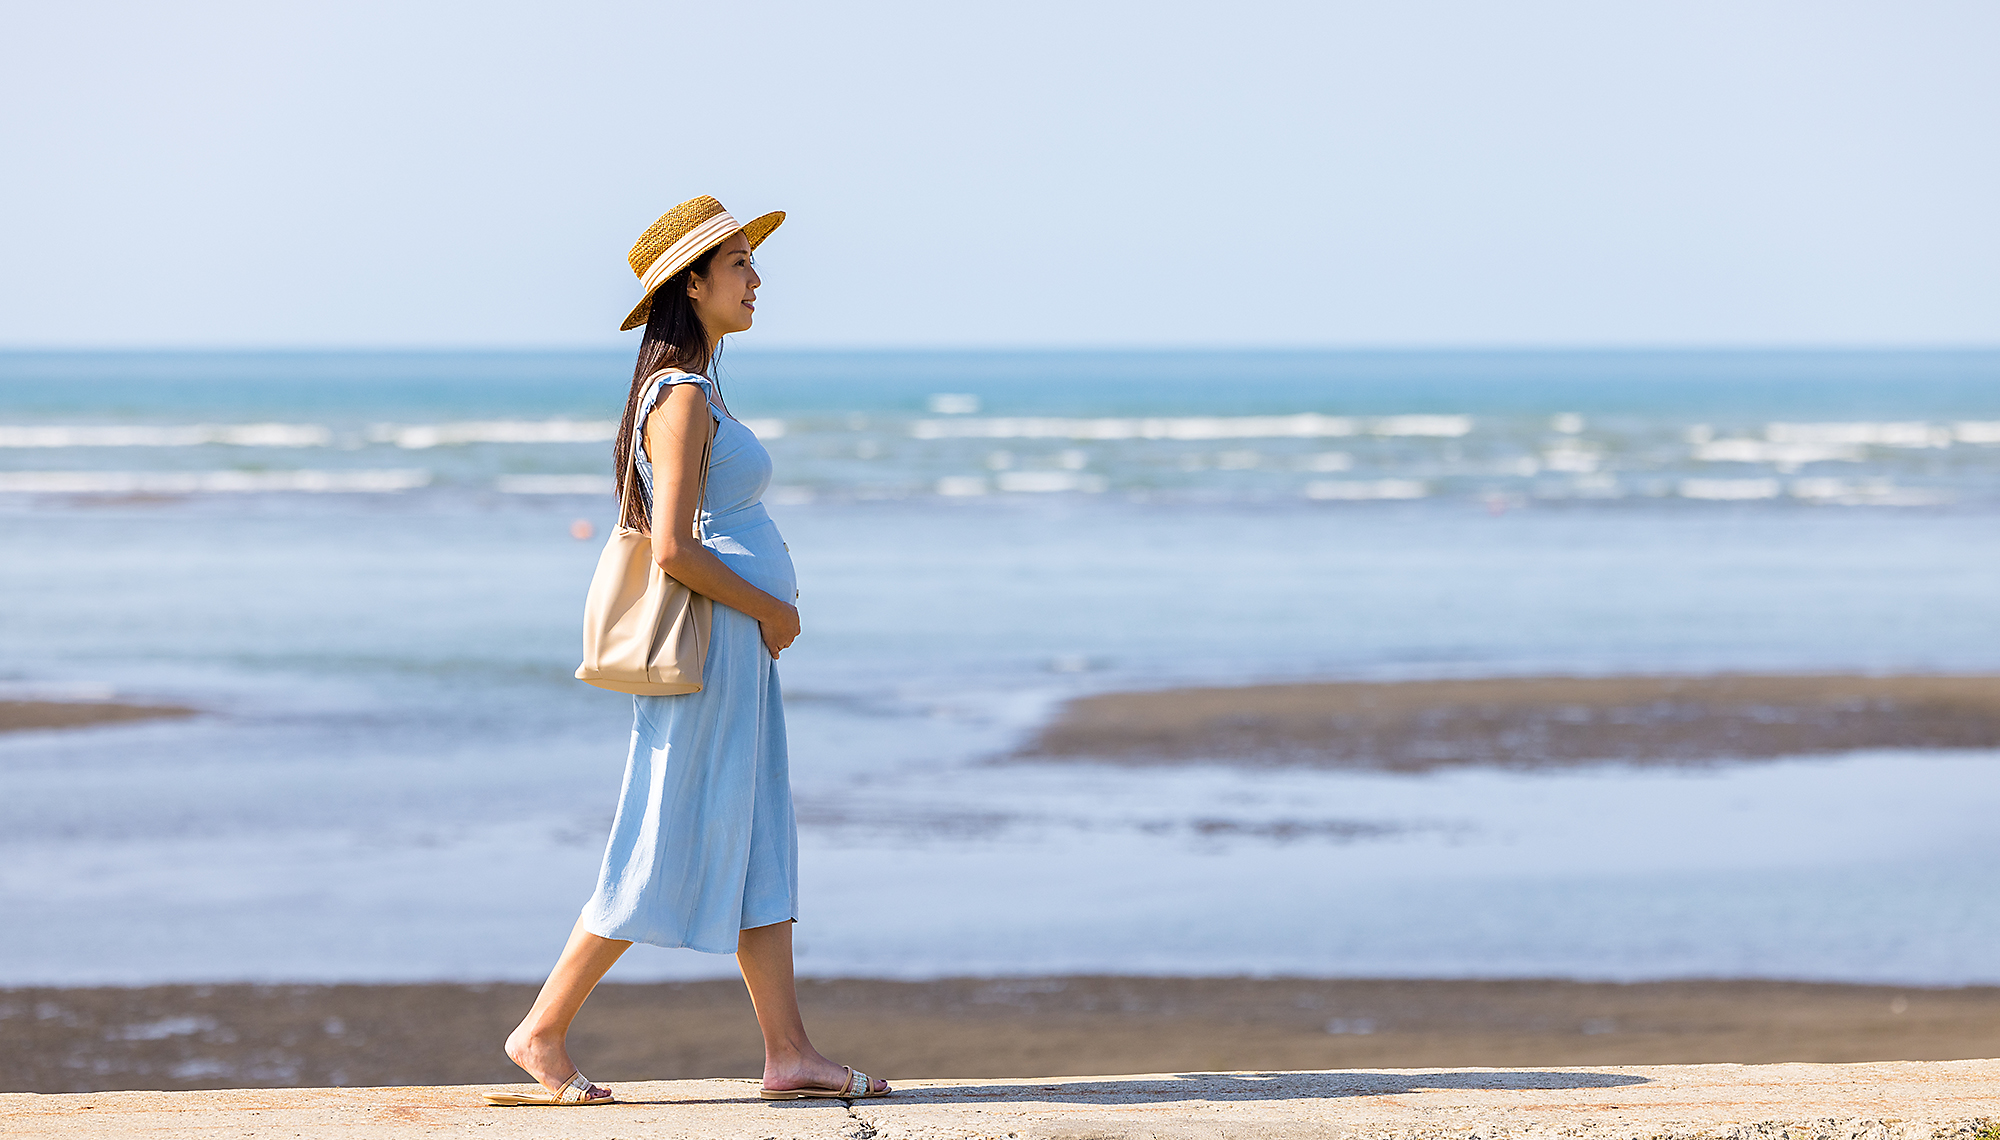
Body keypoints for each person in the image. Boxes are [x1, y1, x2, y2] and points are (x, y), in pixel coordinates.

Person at [488, 196, 890, 1107]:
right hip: (716, 647)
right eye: (741, 264)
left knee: (756, 842)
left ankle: (788, 1054)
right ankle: (542, 1028)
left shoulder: (696, 391)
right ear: (695, 284)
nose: (757, 279)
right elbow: (673, 546)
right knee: (666, 832)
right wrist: (771, 614)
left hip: (734, 649)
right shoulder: (678, 399)